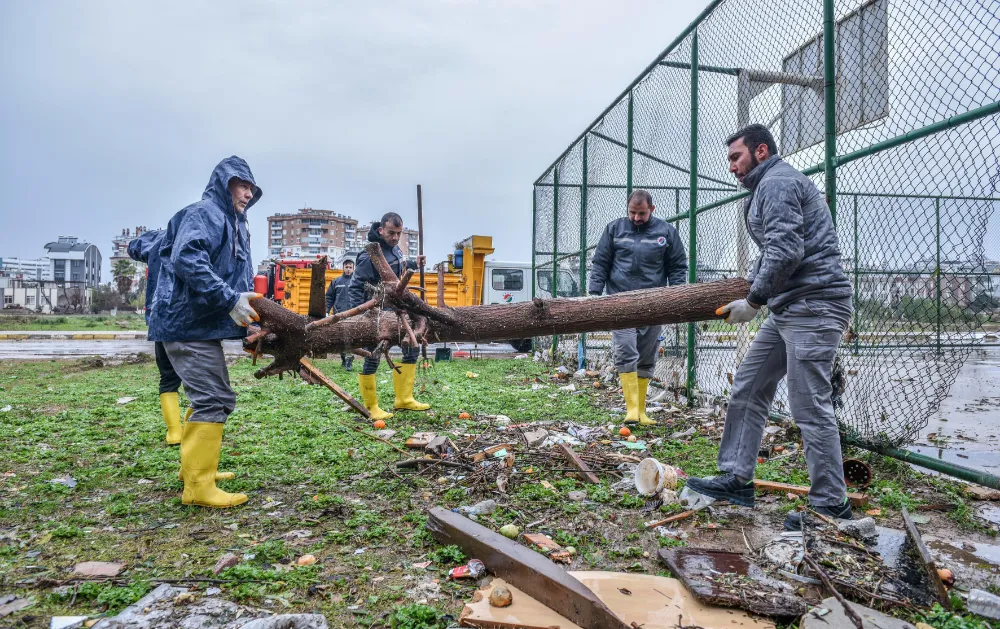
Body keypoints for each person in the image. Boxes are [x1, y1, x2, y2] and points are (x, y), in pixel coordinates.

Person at [684, 124, 854, 530]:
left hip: (814, 306)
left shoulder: (777, 183)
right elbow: (772, 253)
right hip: (790, 307)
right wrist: (757, 290)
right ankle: (736, 478)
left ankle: (831, 505)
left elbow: (786, 250)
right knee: (749, 382)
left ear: (761, 151)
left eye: (736, 157)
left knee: (809, 402)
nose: (731, 167)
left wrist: (754, 301)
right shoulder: (766, 188)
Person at [148, 156, 262, 509]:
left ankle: (195, 471)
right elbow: (187, 259)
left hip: (200, 327)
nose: (247, 192)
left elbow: (240, 282)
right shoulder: (205, 214)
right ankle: (198, 487)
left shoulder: (237, 225)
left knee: (211, 397)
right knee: (214, 399)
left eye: (251, 187)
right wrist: (229, 300)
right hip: (185, 324)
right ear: (224, 183)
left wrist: (250, 326)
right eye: (241, 184)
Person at [588, 189, 688, 425]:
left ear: (652, 210)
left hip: (654, 303)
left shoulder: (666, 232)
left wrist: (675, 294)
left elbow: (677, 265)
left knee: (646, 354)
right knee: (625, 349)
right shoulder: (614, 229)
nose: (636, 218)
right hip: (619, 301)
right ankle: (631, 409)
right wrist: (594, 293)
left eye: (641, 213)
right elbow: (601, 261)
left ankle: (642, 411)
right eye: (632, 212)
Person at [347, 213, 427, 421]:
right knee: (374, 355)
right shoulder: (371, 255)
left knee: (411, 347)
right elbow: (355, 286)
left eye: (398, 234)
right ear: (381, 230)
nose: (395, 237)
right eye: (391, 233)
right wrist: (363, 313)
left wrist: (413, 263)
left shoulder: (395, 250)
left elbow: (396, 269)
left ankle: (404, 399)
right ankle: (371, 407)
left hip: (395, 311)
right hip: (376, 313)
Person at [127, 229, 191, 445]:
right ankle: (194, 432)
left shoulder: (157, 239)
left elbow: (134, 247)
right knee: (201, 381)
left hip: (160, 317)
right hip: (190, 318)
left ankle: (174, 433)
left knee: (168, 378)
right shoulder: (196, 235)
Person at [325, 259, 356, 371]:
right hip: (338, 315)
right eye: (346, 267)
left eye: (350, 267)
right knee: (339, 339)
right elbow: (329, 298)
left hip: (353, 315)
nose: (348, 269)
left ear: (353, 268)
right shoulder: (336, 282)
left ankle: (349, 360)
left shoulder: (357, 282)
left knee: (349, 338)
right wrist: (326, 311)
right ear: (343, 268)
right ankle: (344, 359)